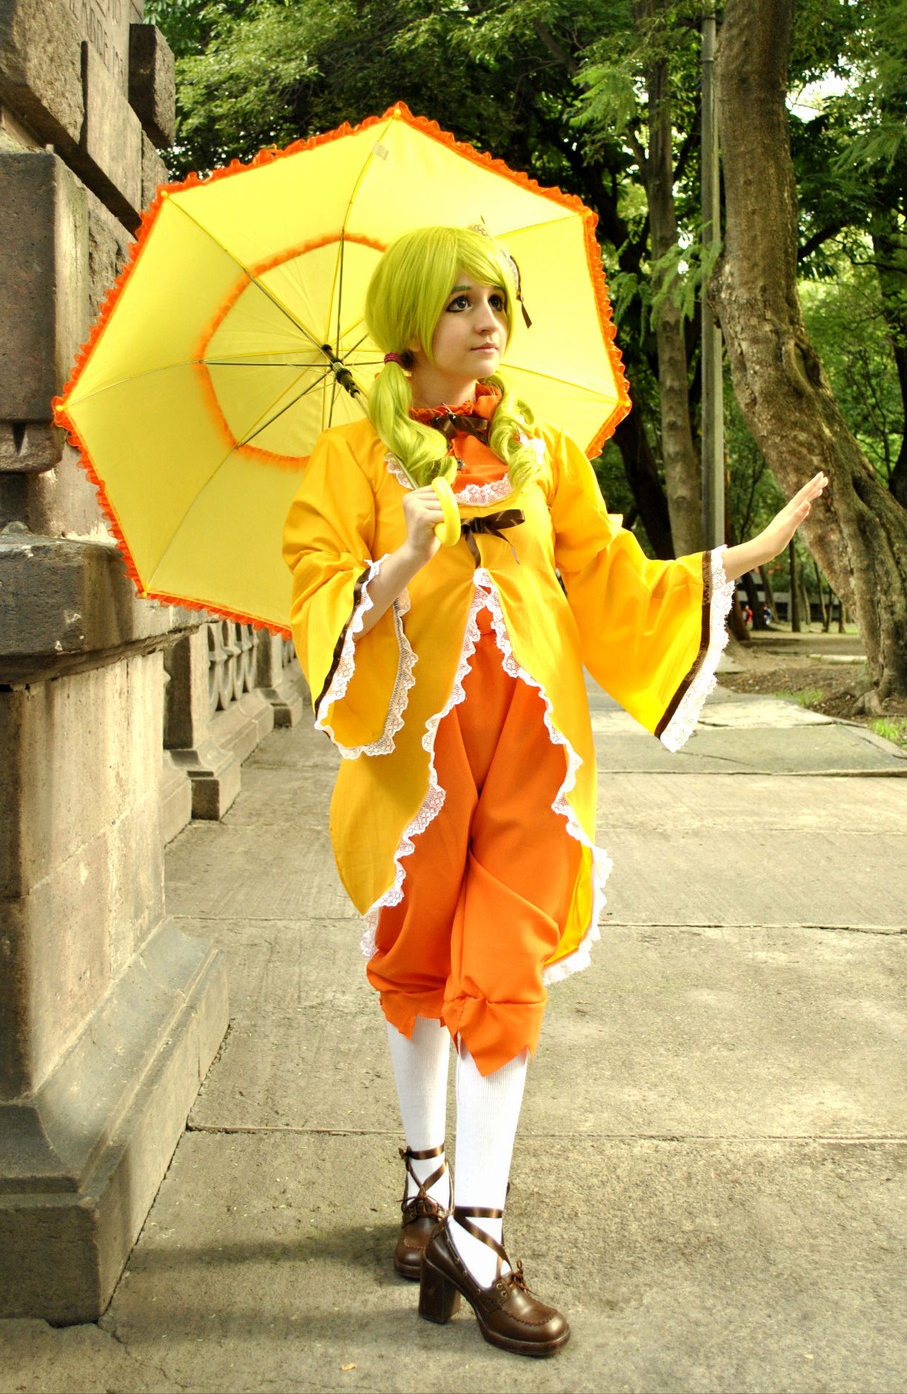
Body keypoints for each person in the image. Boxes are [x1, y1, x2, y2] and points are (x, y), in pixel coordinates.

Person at [282, 224, 827, 1358]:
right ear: (408, 320)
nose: (487, 321)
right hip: (416, 768)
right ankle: (424, 1194)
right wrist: (393, 565)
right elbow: (315, 586)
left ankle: (475, 1236)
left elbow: (608, 577)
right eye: (459, 300)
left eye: (498, 300)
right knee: (420, 969)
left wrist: (736, 559)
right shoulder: (347, 459)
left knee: (506, 973)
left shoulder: (544, 453)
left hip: (535, 756)